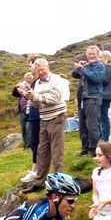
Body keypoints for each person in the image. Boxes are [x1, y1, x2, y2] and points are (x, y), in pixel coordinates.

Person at [23, 58, 68, 191]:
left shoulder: (56, 79)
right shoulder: (37, 84)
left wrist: (36, 97)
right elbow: (37, 103)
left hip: (57, 117)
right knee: (42, 152)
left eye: (42, 69)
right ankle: (39, 182)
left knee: (57, 151)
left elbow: (55, 98)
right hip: (44, 119)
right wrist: (30, 98)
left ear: (47, 67)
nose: (40, 73)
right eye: (38, 71)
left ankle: (59, 182)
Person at [72, 46, 105, 156]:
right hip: (82, 98)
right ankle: (84, 148)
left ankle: (93, 150)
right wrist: (79, 68)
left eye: (93, 54)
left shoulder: (100, 66)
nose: (91, 56)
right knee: (82, 125)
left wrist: (83, 69)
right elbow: (74, 75)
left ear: (97, 54)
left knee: (92, 125)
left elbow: (96, 78)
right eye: (89, 54)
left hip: (93, 98)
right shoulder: (86, 66)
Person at [12, 71, 34, 149]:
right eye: (26, 78)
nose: (28, 79)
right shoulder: (21, 86)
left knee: (29, 128)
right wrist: (16, 87)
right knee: (23, 128)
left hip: (31, 109)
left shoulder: (34, 86)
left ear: (32, 79)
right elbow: (14, 94)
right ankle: (26, 145)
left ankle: (29, 145)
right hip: (22, 110)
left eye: (29, 78)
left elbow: (29, 96)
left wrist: (24, 92)